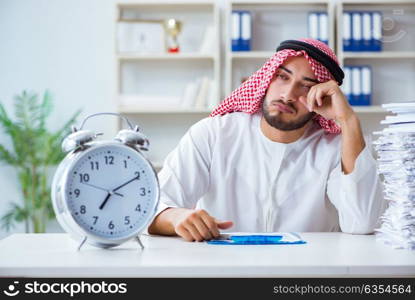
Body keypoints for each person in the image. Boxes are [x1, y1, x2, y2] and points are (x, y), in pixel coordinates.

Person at [146, 38, 385, 242]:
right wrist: (176, 217)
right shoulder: (214, 134)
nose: (288, 94)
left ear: (320, 98)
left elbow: (362, 222)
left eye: (306, 87)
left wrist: (349, 120)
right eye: (283, 77)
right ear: (267, 78)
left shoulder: (335, 148)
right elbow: (153, 208)